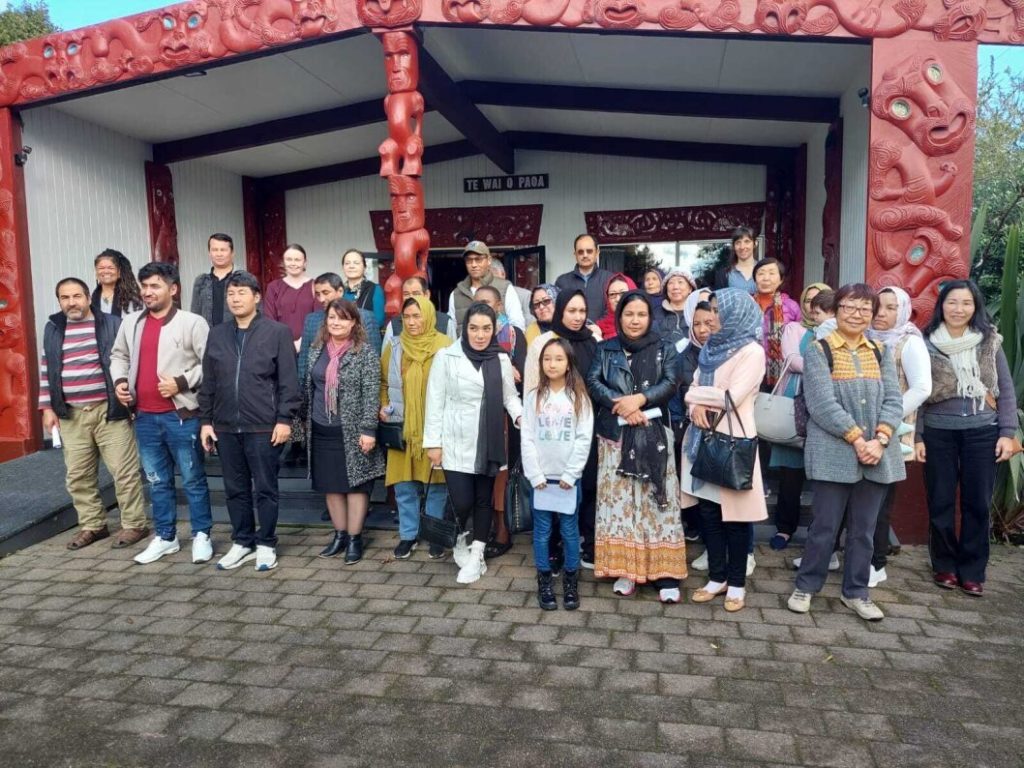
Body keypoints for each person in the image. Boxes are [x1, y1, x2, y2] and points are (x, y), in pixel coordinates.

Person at [788, 284, 905, 622]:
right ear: (837, 310)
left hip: (878, 452)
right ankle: (807, 585)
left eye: (865, 309)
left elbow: (894, 400)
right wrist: (857, 439)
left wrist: (880, 439)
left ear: (872, 314)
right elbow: (821, 404)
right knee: (824, 526)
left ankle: (856, 592)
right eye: (850, 307)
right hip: (834, 452)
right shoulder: (820, 350)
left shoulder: (880, 350)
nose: (857, 314)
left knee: (864, 530)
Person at [916, 279, 1019, 597]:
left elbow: (1006, 390)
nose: (958, 309)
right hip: (938, 433)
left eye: (966, 303)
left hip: (981, 432)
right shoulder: (925, 341)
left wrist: (1007, 433)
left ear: (975, 307)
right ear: (941, 306)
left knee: (977, 503)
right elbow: (917, 392)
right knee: (941, 501)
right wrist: (918, 436)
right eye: (952, 302)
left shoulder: (989, 342)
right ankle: (944, 565)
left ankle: (973, 571)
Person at [109, 261, 214, 565]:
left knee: (193, 479)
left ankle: (201, 535)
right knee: (157, 480)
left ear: (173, 289)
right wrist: (119, 382)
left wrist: (181, 382)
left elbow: (210, 364)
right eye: (144, 286)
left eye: (155, 286)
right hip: (144, 416)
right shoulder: (131, 322)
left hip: (181, 415)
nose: (148, 292)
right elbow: (118, 356)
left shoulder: (192, 322)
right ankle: (166, 537)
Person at [586, 290, 687, 602]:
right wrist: (622, 406)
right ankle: (626, 569)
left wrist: (640, 400)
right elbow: (592, 382)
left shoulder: (665, 348)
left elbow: (672, 382)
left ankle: (663, 573)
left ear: (650, 317)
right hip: (615, 436)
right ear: (619, 317)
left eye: (641, 314)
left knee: (656, 501)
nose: (634, 320)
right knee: (621, 505)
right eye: (629, 314)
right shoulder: (605, 348)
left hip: (653, 433)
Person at [199, 271, 299, 573]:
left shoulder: (277, 332)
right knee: (234, 488)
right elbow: (209, 381)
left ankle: (266, 543)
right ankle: (242, 541)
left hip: (263, 426)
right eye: (231, 294)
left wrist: (284, 419)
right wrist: (206, 421)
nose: (235, 298)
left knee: (265, 487)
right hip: (226, 426)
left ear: (256, 297)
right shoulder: (217, 333)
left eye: (242, 292)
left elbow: (289, 382)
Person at [39, 277, 148, 550]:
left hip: (108, 410)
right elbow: (46, 369)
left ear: (89, 298)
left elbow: (130, 362)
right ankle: (93, 525)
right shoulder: (53, 327)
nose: (71, 302)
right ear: (59, 301)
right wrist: (47, 407)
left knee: (124, 473)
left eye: (77, 296)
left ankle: (134, 524)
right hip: (71, 415)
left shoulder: (110, 324)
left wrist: (132, 401)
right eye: (65, 297)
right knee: (78, 475)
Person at [680, 289, 768, 612]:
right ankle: (716, 578)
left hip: (733, 442)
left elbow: (732, 397)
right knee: (708, 513)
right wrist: (694, 406)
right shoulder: (710, 349)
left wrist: (697, 398)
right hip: (702, 439)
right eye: (711, 310)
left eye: (717, 311)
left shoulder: (751, 351)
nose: (712, 318)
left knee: (736, 518)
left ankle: (737, 584)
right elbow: (689, 390)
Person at [423, 303, 524, 585]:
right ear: (464, 328)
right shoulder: (446, 357)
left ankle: (477, 552)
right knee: (462, 500)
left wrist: (520, 416)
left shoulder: (500, 359)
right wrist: (433, 443)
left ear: (494, 330)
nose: (480, 335)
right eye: (474, 328)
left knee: (483, 500)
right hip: (455, 440)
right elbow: (435, 402)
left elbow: (509, 397)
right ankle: (459, 539)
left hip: (489, 442)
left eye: (486, 329)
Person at [298, 298, 385, 565]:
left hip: (353, 430)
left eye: (343, 318)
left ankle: (355, 539)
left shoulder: (365, 353)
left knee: (356, 485)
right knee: (331, 485)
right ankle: (339, 535)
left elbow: (372, 394)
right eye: (332, 317)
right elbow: (307, 388)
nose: (336, 323)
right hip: (321, 427)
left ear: (354, 322)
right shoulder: (316, 350)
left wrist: (369, 429)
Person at [523, 289, 601, 571]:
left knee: (586, 483)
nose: (578, 317)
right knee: (551, 486)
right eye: (572, 311)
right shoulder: (545, 343)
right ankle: (554, 546)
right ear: (560, 311)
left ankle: (586, 542)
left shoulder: (594, 341)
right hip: (550, 428)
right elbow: (532, 386)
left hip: (584, 422)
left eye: (582, 311)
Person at [864, 286, 931, 586]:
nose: (882, 312)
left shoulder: (909, 343)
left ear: (902, 311)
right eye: (878, 305)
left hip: (892, 431)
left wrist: (887, 417)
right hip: (860, 430)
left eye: (891, 307)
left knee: (879, 501)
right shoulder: (864, 337)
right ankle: (849, 555)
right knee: (857, 498)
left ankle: (876, 563)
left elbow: (922, 388)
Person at [522, 338, 593, 611]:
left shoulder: (579, 398)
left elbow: (583, 438)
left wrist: (572, 473)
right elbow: (527, 437)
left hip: (567, 480)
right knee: (541, 532)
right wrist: (535, 474)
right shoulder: (533, 397)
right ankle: (544, 582)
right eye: (547, 358)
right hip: (542, 480)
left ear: (569, 363)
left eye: (559, 358)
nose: (552, 364)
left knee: (569, 531)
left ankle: (571, 583)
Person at [381, 295, 453, 561]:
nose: (411, 322)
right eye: (407, 317)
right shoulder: (395, 346)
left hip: (435, 428)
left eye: (417, 316)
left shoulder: (445, 346)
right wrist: (385, 406)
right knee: (404, 486)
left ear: (429, 316)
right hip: (403, 427)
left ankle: (433, 535)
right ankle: (408, 535)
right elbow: (383, 383)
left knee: (436, 485)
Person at [768, 282, 831, 551]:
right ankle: (784, 528)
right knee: (790, 475)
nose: (814, 308)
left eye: (821, 304)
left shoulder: (840, 332)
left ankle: (821, 535)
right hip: (795, 404)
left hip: (826, 408)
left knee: (824, 478)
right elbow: (792, 360)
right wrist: (825, 367)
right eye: (809, 302)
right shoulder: (794, 329)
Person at [447, 241, 525, 335]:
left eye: (478, 259)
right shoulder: (456, 294)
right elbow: (452, 333)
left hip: (498, 349)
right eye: (469, 260)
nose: (474, 265)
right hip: (464, 349)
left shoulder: (504, 288)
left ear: (489, 260)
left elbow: (517, 325)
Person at [754, 258, 801, 390]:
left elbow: (799, 339)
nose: (766, 278)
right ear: (755, 279)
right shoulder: (746, 304)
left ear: (781, 279)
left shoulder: (791, 306)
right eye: (761, 273)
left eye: (771, 273)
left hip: (782, 372)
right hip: (750, 368)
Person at [263, 243, 318, 353]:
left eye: (297, 260)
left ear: (305, 262)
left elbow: (319, 318)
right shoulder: (273, 287)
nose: (293, 263)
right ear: (283, 262)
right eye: (289, 259)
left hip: (310, 345)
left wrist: (302, 342)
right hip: (280, 347)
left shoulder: (315, 286)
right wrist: (286, 343)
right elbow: (269, 319)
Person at [381, 276, 456, 347]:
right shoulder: (394, 325)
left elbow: (454, 356)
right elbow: (387, 357)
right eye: (406, 294)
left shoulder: (445, 322)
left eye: (416, 293)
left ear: (427, 295)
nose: (411, 298)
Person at [554, 234, 614, 322]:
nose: (585, 255)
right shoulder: (562, 281)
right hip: (571, 334)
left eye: (589, 251)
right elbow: (558, 312)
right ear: (575, 254)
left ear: (597, 252)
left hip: (602, 333)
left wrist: (598, 327)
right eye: (580, 252)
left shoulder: (610, 279)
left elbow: (614, 310)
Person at [191, 233, 236, 327]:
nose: (219, 254)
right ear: (209, 253)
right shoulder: (201, 281)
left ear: (232, 253)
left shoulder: (243, 279)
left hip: (237, 337)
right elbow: (195, 315)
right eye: (215, 250)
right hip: (208, 337)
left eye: (223, 250)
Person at [341, 248, 386, 332]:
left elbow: (378, 321)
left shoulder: (374, 289)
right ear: (343, 268)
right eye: (347, 263)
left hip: (366, 338)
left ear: (364, 267)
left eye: (356, 263)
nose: (351, 266)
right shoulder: (339, 291)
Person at [92, 249, 142, 316]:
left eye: (111, 268)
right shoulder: (90, 299)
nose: (106, 271)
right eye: (101, 268)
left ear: (119, 272)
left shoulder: (132, 298)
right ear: (96, 272)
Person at [656, 268, 697, 346]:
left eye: (680, 282)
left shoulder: (698, 313)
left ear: (690, 289)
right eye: (671, 283)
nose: (675, 287)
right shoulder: (655, 313)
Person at [712, 226, 759, 292]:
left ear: (755, 243)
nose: (742, 247)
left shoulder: (764, 269)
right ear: (733, 246)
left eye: (747, 241)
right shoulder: (724, 274)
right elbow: (719, 300)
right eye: (738, 243)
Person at [491, 260, 534, 328]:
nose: (494, 284)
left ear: (503, 274)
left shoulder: (524, 295)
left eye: (495, 280)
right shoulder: (482, 294)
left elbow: (530, 324)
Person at [595, 273, 636, 341]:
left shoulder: (644, 325)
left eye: (623, 293)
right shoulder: (599, 328)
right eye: (612, 294)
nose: (617, 299)